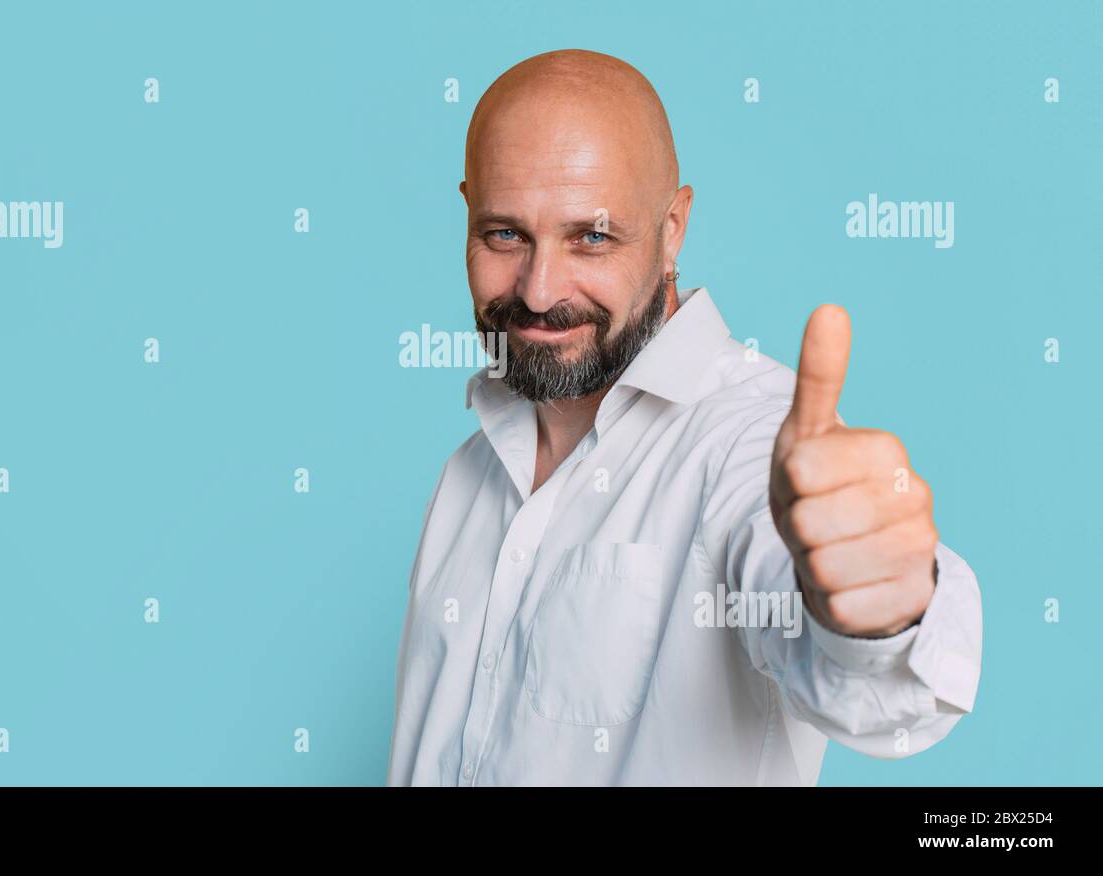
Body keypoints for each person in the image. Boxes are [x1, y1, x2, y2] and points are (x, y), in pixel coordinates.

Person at [385, 49, 982, 786]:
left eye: (592, 238)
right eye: (505, 234)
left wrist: (880, 617)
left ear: (672, 231)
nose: (538, 292)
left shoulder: (749, 447)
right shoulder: (467, 473)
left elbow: (875, 684)